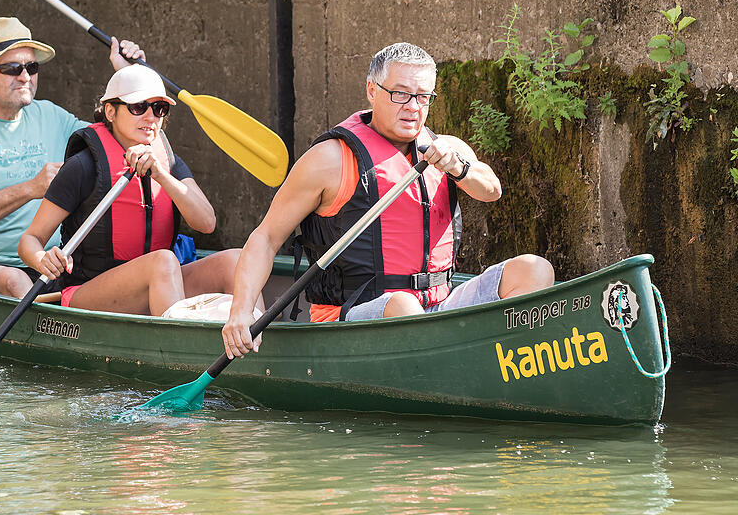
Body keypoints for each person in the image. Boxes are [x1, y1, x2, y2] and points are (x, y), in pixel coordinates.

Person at [221, 42, 555, 359]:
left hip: (438, 308)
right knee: (402, 305)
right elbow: (266, 238)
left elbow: (491, 190)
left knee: (534, 271)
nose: (413, 107)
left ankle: (499, 362)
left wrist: (457, 166)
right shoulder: (329, 160)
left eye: (423, 97)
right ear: (371, 90)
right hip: (354, 315)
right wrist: (241, 311)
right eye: (400, 94)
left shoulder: (446, 148)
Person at [0, 16, 142, 298]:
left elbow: (119, 134)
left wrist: (127, 78)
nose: (25, 77)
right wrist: (31, 188)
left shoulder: (50, 115)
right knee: (16, 280)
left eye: (32, 67)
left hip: (54, 261)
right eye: (12, 68)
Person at [17, 63, 255, 316]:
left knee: (237, 261)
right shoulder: (82, 167)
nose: (150, 117)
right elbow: (30, 241)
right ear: (110, 111)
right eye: (138, 107)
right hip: (89, 291)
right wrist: (43, 259)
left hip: (159, 280)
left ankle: (258, 346)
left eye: (159, 109)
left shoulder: (169, 163)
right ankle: (177, 349)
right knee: (163, 262)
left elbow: (206, 223)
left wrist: (162, 176)